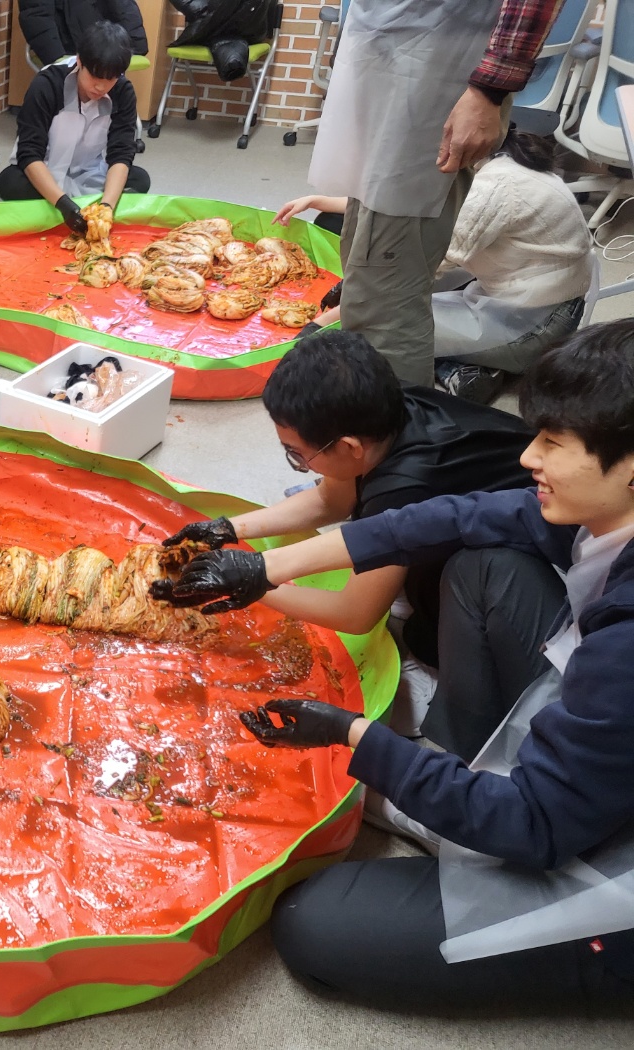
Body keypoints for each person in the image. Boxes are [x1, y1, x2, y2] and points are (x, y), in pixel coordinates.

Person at [158, 321, 634, 1010]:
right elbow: (447, 517)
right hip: (590, 770)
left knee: (316, 924)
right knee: (484, 562)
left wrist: (352, 736)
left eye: (553, 444)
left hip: (589, 854)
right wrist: (260, 565)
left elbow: (536, 827)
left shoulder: (624, 646)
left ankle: (579, 944)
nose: (528, 456)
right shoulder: (595, 515)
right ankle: (457, 778)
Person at [163, 331, 534, 735]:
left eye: (298, 455)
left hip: (531, 560)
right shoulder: (381, 409)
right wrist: (229, 528)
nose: (297, 462)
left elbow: (355, 614)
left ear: (349, 447)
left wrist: (253, 586)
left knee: (430, 612)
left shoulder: (404, 489)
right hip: (484, 493)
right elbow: (332, 501)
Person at [307, 0, 563, 386]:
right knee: (364, 270)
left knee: (386, 300)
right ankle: (368, 415)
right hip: (390, 66)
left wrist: (488, 91)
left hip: (433, 76)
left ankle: (397, 435)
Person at [275, 130, 593, 403]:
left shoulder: (490, 189)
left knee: (383, 328)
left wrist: (322, 326)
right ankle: (470, 369)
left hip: (535, 326)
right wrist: (318, 200)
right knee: (398, 300)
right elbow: (402, 208)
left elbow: (409, 272)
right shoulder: (499, 163)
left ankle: (486, 364)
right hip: (526, 300)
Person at [0, 20, 150, 230]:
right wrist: (65, 207)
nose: (100, 86)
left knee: (139, 179)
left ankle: (77, 207)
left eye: (110, 79)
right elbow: (29, 153)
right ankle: (62, 204)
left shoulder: (122, 92)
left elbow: (121, 153)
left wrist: (106, 208)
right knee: (10, 183)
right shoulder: (47, 84)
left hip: (89, 171)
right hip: (45, 169)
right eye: (94, 76)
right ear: (79, 62)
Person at [166, 0, 274, 82]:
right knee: (219, 33)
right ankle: (232, 60)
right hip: (213, 29)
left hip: (245, 28)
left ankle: (209, 20)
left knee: (216, 26)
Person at [19, 0, 149, 68]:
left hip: (102, 43)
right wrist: (56, 59)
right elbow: (36, 15)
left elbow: (123, 6)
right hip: (66, 47)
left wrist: (136, 45)